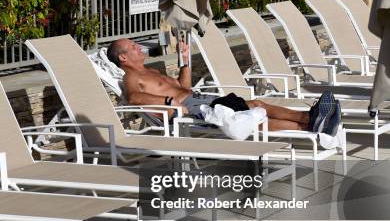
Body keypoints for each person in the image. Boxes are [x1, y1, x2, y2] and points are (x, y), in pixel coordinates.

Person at [107, 38, 339, 134]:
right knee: (252, 109)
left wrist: (185, 61)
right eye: (133, 47)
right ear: (124, 58)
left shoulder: (151, 71)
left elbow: (183, 85)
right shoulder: (130, 78)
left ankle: (309, 124)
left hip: (196, 99)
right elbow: (134, 99)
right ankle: (308, 120)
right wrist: (168, 102)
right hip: (189, 110)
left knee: (251, 112)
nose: (139, 47)